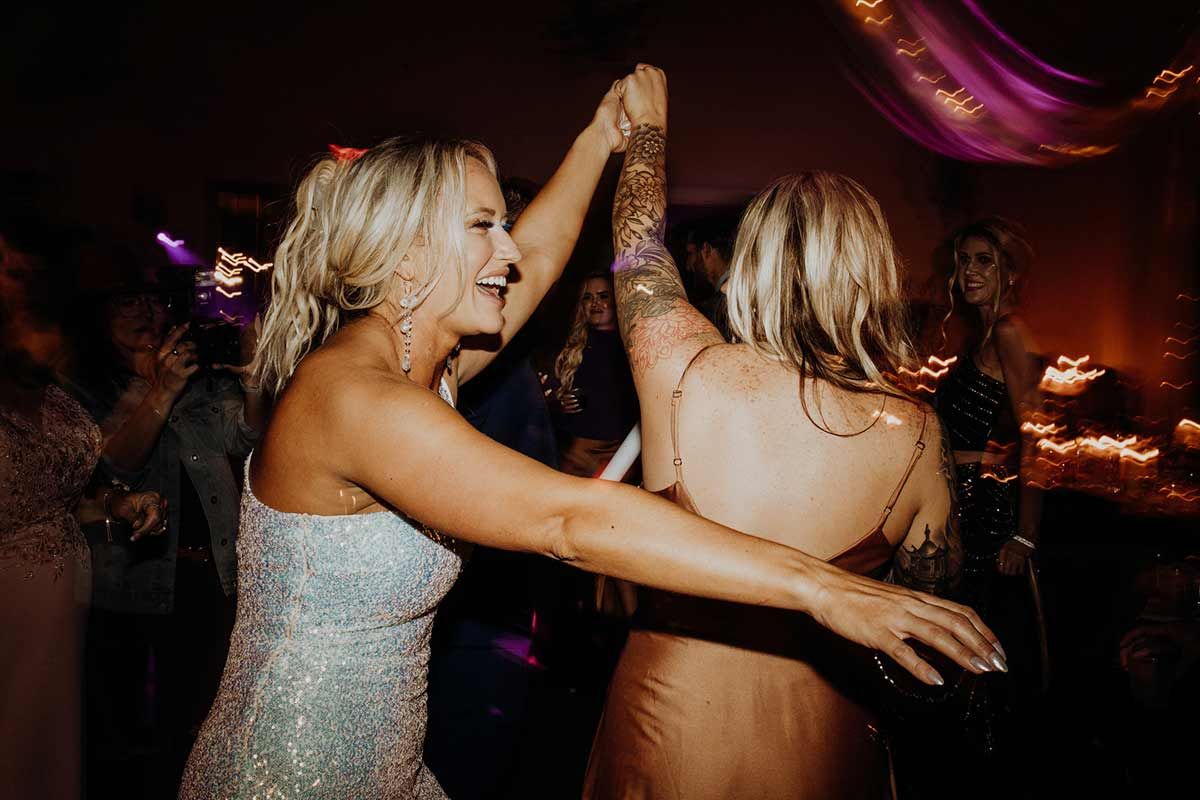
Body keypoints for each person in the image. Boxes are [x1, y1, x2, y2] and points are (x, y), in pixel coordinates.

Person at [179, 75, 1002, 800]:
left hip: (384, 767)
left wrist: (606, 134)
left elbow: (536, 254)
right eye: (482, 226)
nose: (510, 249)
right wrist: (827, 587)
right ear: (407, 260)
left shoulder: (416, 366)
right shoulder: (354, 398)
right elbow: (567, 522)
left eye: (504, 223)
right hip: (293, 774)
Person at [584, 66, 999, 799]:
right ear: (872, 275)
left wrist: (648, 130)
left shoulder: (683, 366)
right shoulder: (916, 433)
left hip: (672, 729)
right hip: (823, 737)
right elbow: (925, 612)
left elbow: (637, 249)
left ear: (752, 267)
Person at [70, 260, 267, 793]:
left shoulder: (198, 385)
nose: (147, 312)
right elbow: (112, 467)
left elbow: (245, 438)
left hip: (206, 579)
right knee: (118, 734)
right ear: (100, 316)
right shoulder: (85, 392)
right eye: (129, 301)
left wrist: (253, 377)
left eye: (155, 301)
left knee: (194, 725)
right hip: (124, 581)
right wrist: (156, 391)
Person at [0, 220, 165, 800]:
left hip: (66, 614)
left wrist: (117, 503)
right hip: (9, 615)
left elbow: (60, 495)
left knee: (57, 753)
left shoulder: (56, 391)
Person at [933, 218, 1044, 751]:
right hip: (965, 500)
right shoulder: (978, 333)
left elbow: (1039, 440)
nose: (968, 272)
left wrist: (1023, 535)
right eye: (963, 261)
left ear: (1008, 271)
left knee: (983, 639)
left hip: (990, 508)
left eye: (983, 261)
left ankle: (994, 755)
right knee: (966, 635)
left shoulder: (1008, 333)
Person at [545, 270, 639, 478]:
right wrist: (558, 404)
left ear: (617, 300)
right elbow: (546, 400)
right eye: (588, 297)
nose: (595, 303)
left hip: (619, 456)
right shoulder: (571, 349)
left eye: (603, 296)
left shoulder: (633, 348)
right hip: (577, 455)